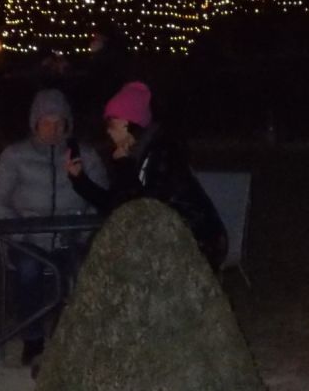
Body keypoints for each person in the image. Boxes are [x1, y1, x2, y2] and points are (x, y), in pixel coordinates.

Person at [0, 88, 106, 366]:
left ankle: (72, 338)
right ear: (35, 123)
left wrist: (83, 231)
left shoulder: (85, 156)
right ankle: (33, 338)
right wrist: (18, 230)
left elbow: (100, 198)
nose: (53, 129)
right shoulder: (15, 156)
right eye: (47, 122)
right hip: (26, 241)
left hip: (71, 238)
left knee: (85, 270)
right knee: (29, 269)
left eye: (59, 123)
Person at [65, 80, 228, 270]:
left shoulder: (163, 153)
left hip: (195, 240)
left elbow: (144, 207)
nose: (108, 131)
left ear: (129, 123)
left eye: (112, 123)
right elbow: (117, 204)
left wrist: (124, 166)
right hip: (164, 239)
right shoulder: (134, 155)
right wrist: (80, 181)